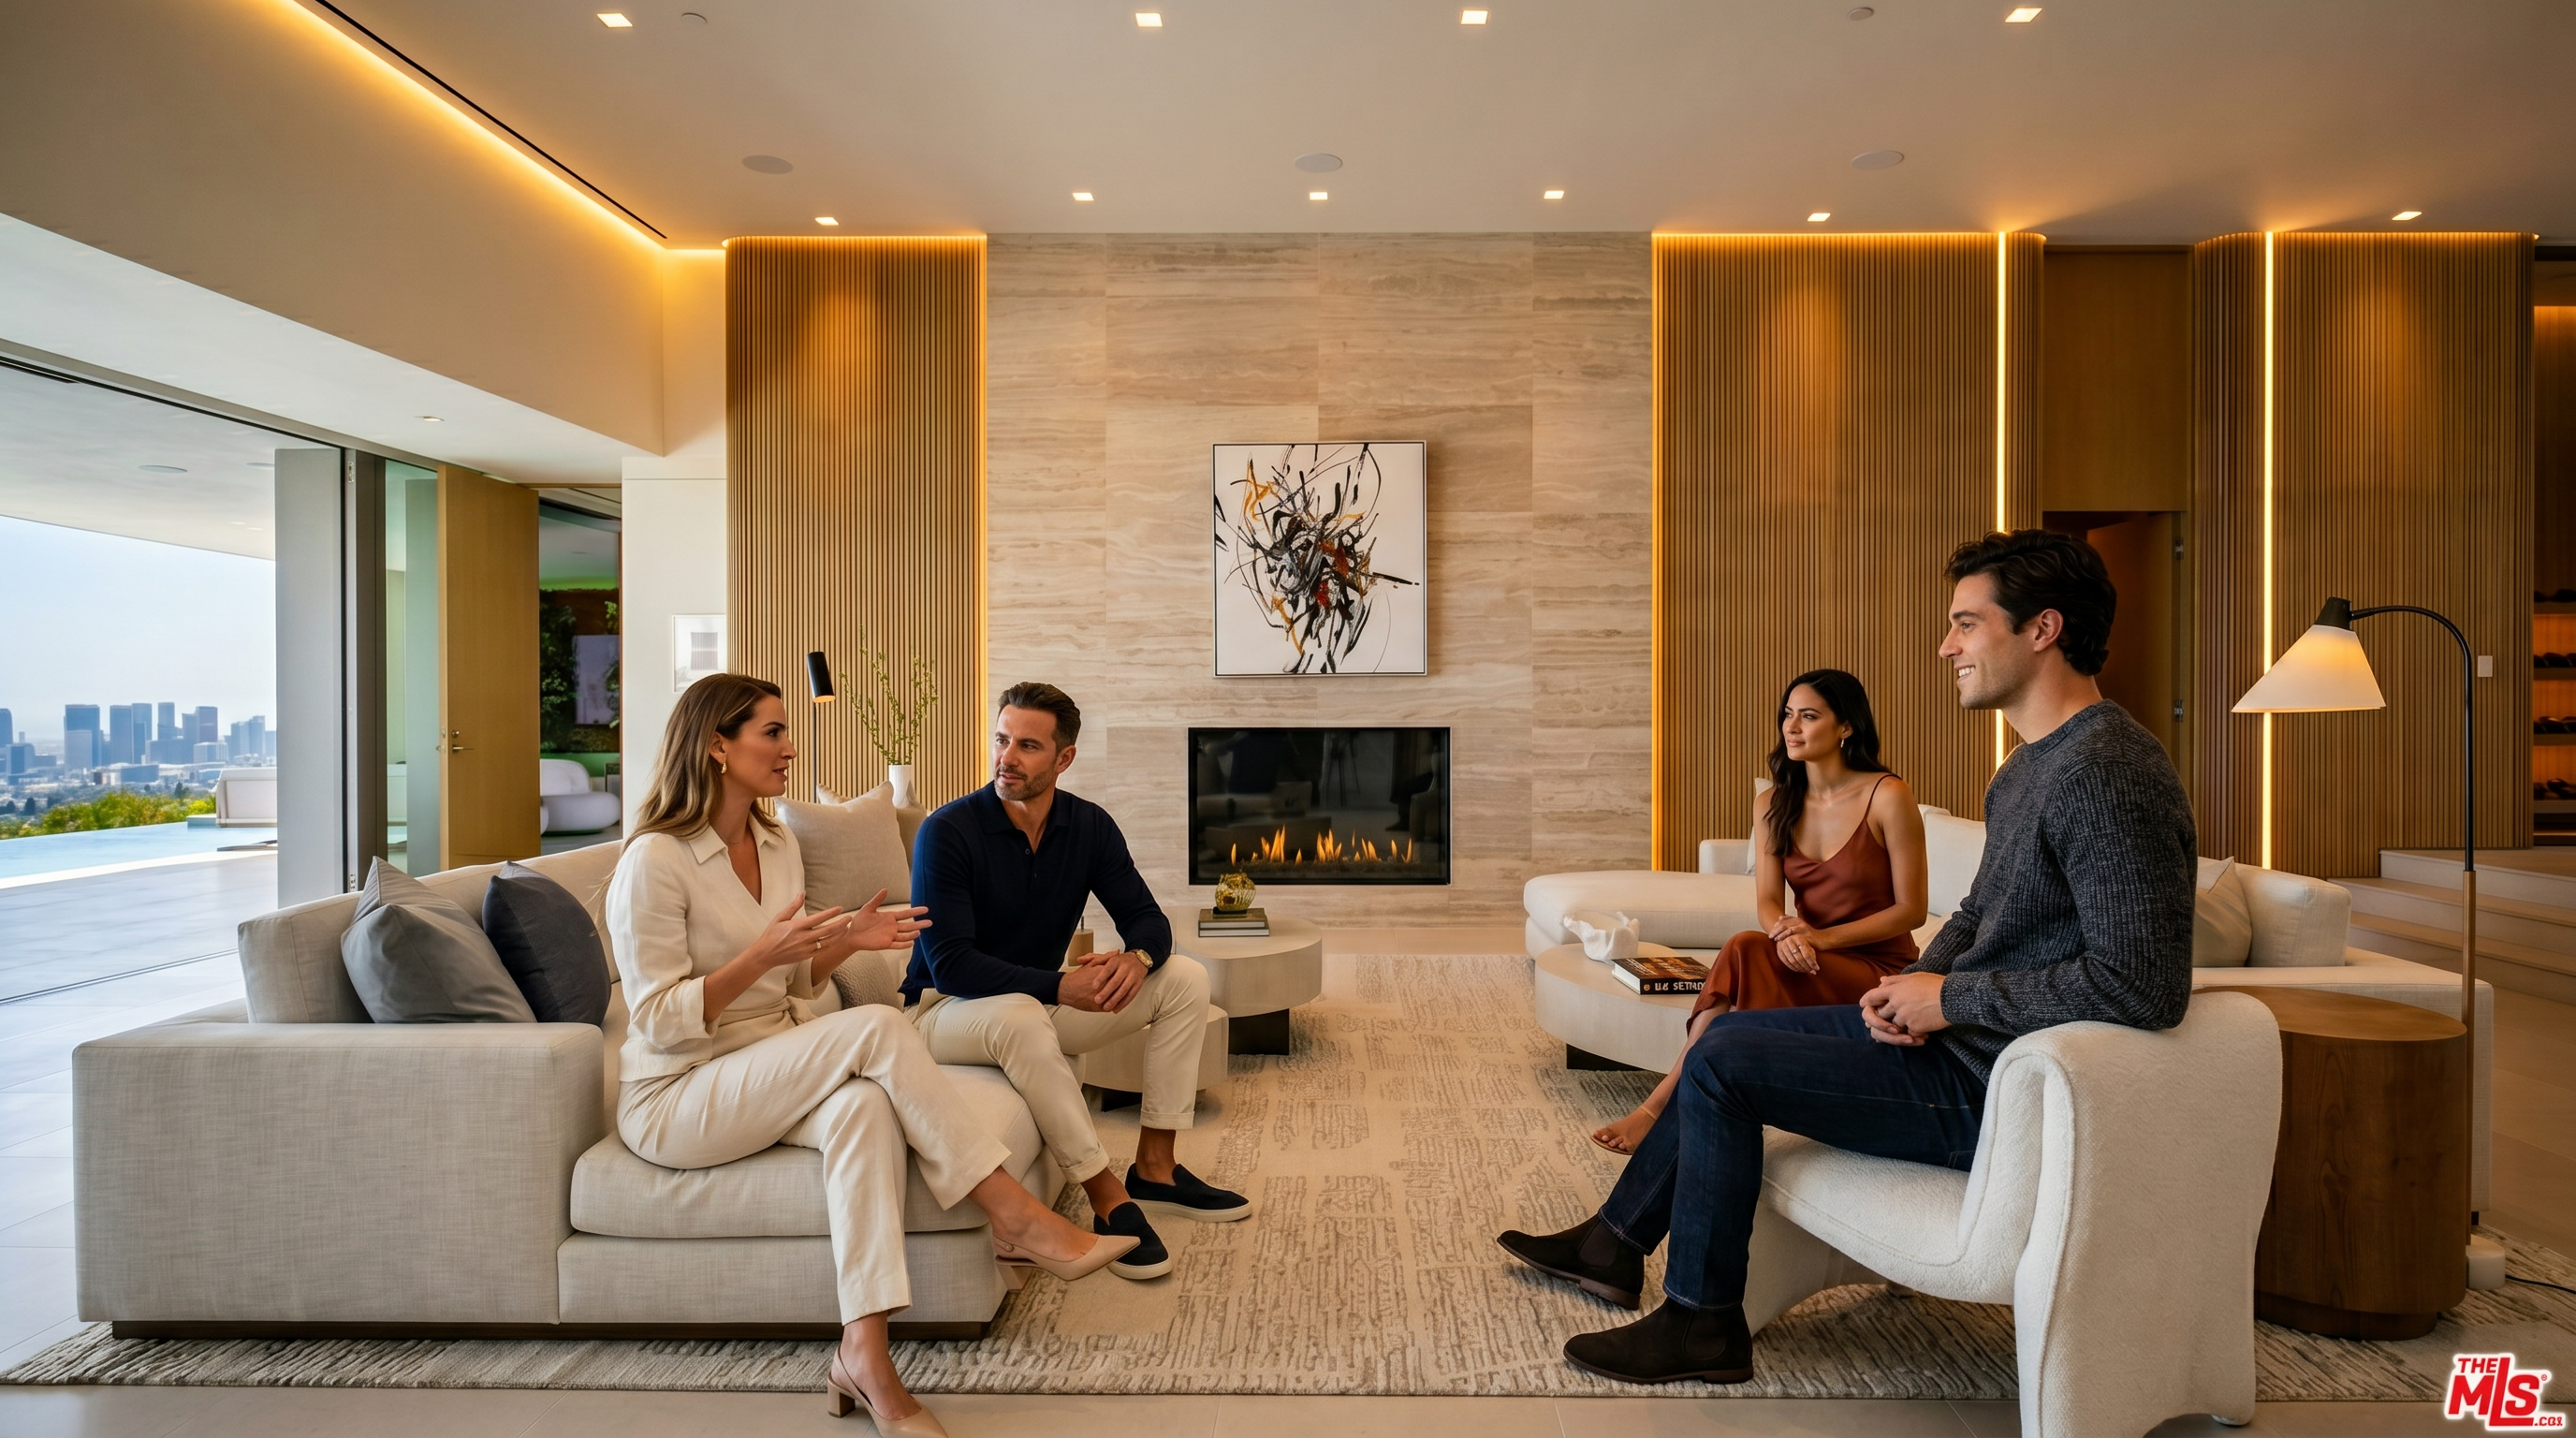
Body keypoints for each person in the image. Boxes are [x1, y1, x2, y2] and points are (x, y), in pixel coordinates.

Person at [1499, 529, 2197, 1385]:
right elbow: (1980, 912)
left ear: (2042, 628)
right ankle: (1615, 1249)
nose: (1946, 647)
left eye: (1966, 624)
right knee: (1727, 1038)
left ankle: (1699, 1322)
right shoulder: (2026, 770)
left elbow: (2141, 985)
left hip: (1995, 1089)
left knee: (1724, 1063)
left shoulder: (2108, 770)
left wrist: (1950, 1002)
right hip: (1952, 1047)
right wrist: (1913, 986)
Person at [609, 674, 1133, 1435]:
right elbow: (658, 1020)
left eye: (787, 731)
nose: (790, 748)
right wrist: (760, 957)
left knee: (862, 1109)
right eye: (772, 732)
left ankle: (864, 1354)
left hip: (763, 1066)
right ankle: (1014, 1214)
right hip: (678, 1093)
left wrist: (843, 943)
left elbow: (794, 984)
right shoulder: (655, 860)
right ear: (717, 746)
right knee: (881, 1027)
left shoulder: (776, 843)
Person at [904, 682, 1253, 1284]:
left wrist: (1136, 959)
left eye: (1028, 746)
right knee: (1020, 1014)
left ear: (1063, 758)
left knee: (1184, 977)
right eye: (1002, 740)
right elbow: (952, 964)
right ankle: (1107, 1196)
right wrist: (1062, 987)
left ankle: (1157, 1167)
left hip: (1036, 1003)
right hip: (945, 1011)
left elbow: (1149, 920)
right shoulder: (948, 830)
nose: (1007, 757)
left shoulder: (1088, 825)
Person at [1588, 669, 1927, 1154]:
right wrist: (1787, 936)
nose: (1792, 727)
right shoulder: (1772, 802)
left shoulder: (1888, 795)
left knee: (1744, 951)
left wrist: (1819, 938)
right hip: (1807, 957)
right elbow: (1769, 901)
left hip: (1876, 969)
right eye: (1788, 715)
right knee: (1749, 948)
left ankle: (1660, 1105)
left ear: (1846, 726)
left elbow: (1911, 910)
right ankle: (1689, 1103)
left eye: (1808, 716)